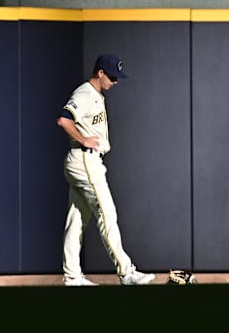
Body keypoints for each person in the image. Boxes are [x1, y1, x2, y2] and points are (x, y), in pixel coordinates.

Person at [56, 53, 155, 286]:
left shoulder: (96, 94)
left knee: (77, 218)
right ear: (100, 73)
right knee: (107, 214)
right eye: (112, 76)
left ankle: (71, 276)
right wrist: (83, 140)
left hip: (85, 161)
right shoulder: (85, 93)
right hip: (85, 160)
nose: (115, 81)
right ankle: (126, 271)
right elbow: (63, 119)